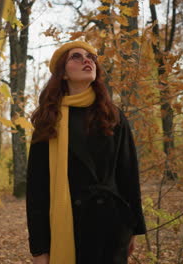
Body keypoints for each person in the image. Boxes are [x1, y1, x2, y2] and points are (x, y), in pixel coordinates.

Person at [25, 41, 147, 264]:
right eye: (77, 57)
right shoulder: (49, 120)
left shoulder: (113, 116)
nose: (87, 60)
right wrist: (39, 248)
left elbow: (129, 175)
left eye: (91, 57)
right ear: (62, 73)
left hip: (111, 228)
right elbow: (37, 190)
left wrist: (133, 227)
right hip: (67, 229)